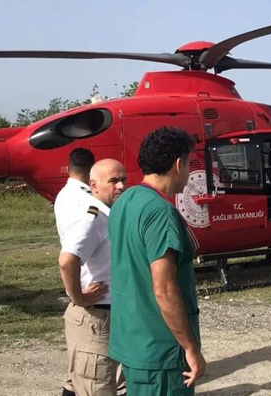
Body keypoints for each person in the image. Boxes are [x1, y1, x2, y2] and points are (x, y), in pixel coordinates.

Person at [108, 127, 205, 396]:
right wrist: (190, 347)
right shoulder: (160, 212)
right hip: (160, 349)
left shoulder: (124, 201)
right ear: (178, 164)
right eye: (188, 163)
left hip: (133, 340)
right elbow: (164, 289)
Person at [57, 157, 127, 396]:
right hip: (95, 316)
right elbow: (67, 260)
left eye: (123, 180)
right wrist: (79, 297)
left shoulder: (109, 216)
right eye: (114, 181)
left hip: (108, 314)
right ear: (94, 185)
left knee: (81, 383)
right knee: (97, 386)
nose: (121, 186)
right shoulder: (93, 218)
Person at [54, 148, 95, 396]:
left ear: (69, 168)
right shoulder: (89, 201)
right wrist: (78, 296)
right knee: (92, 363)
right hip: (90, 281)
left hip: (77, 278)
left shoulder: (63, 195)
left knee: (80, 360)